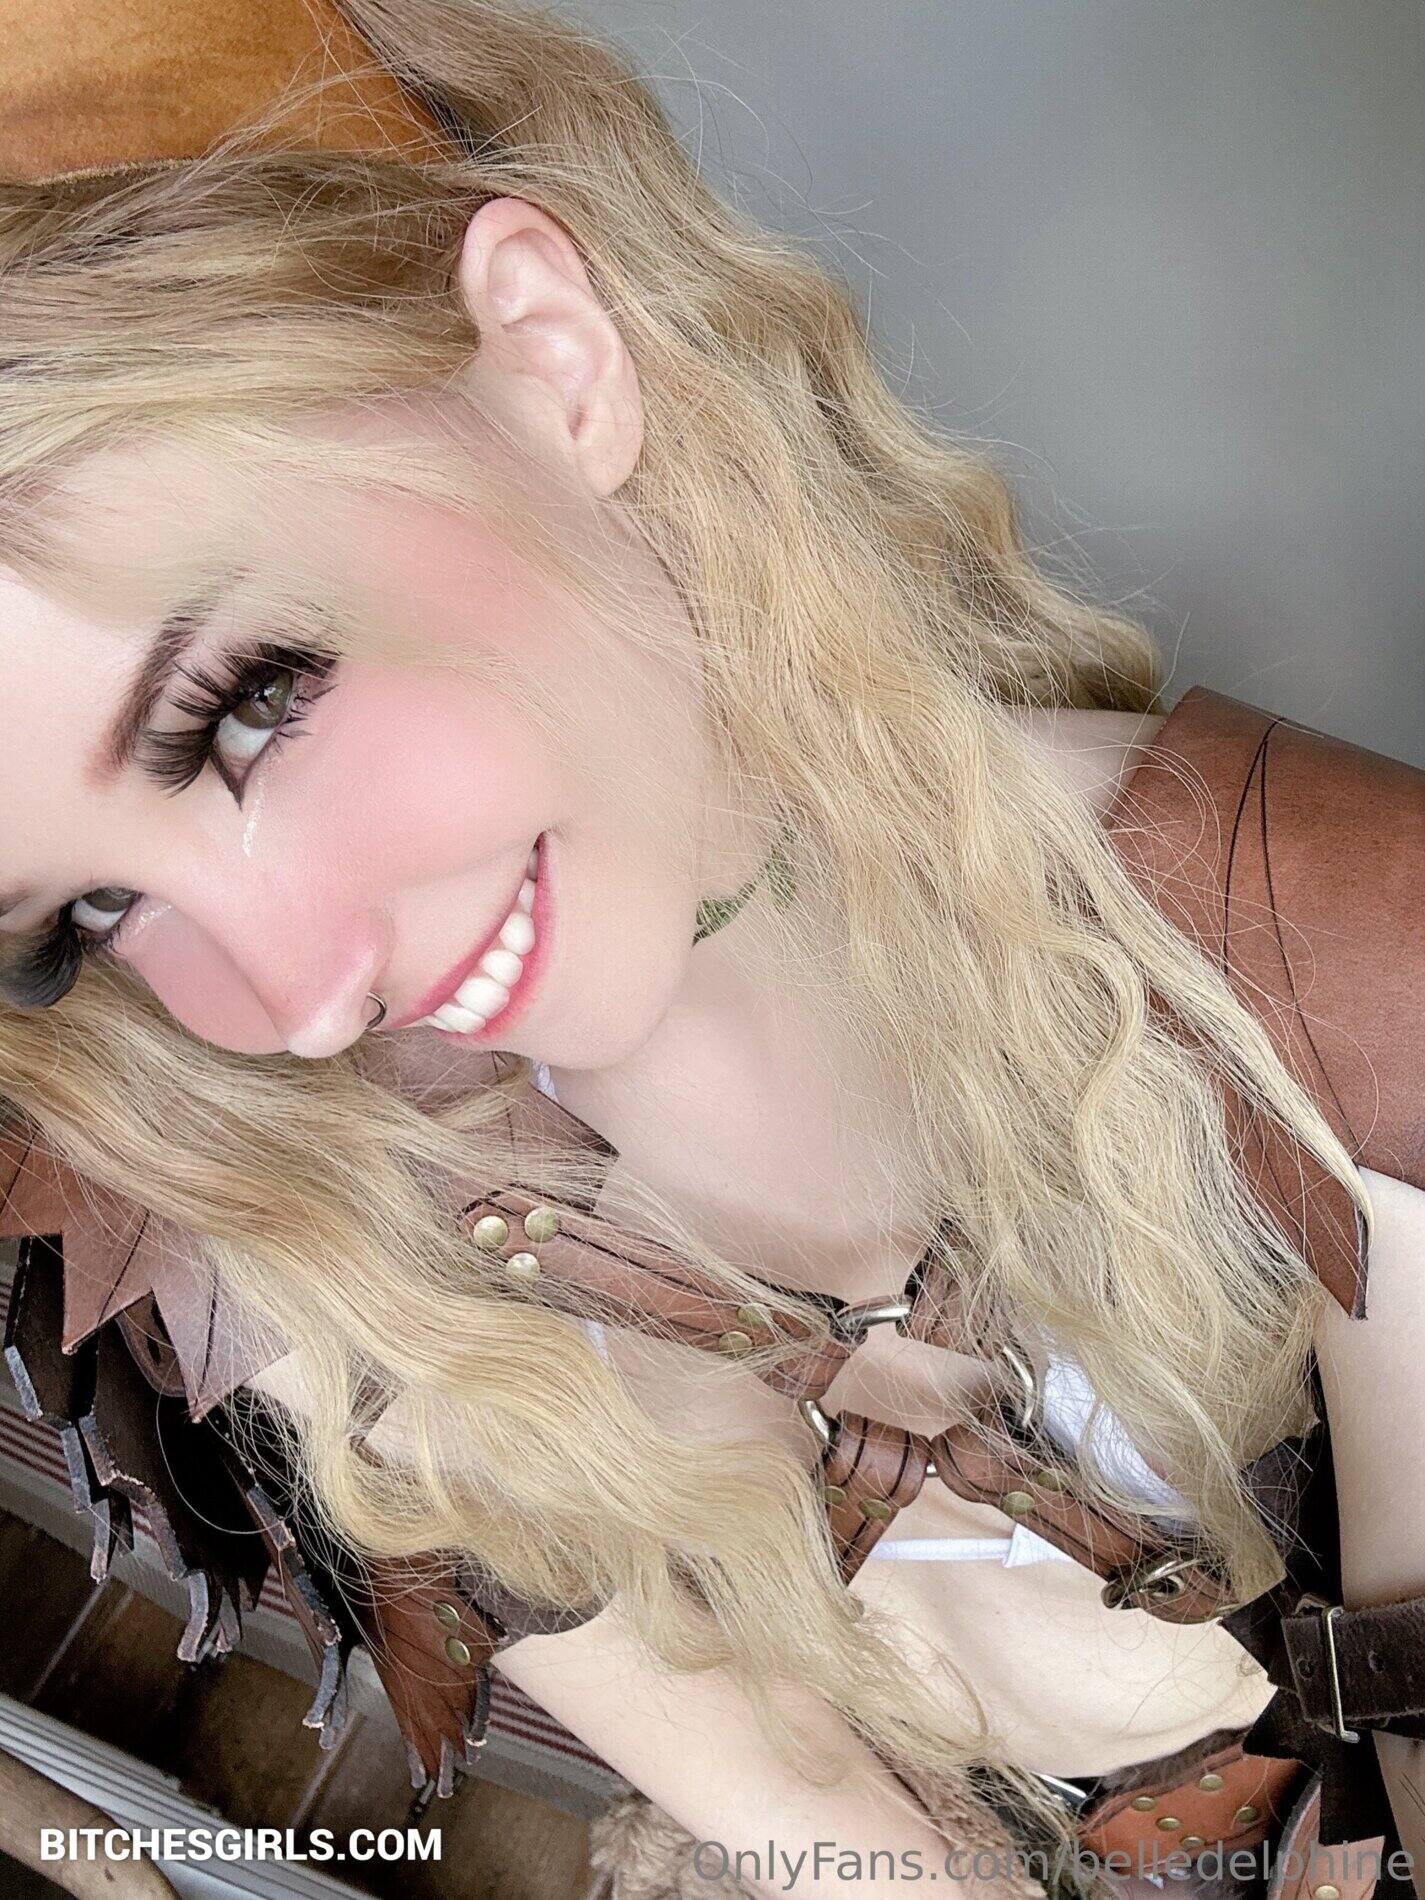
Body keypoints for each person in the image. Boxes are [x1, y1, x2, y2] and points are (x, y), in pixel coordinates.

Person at [1, 4, 1422, 1898]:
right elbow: (811, 1819)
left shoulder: (1305, 927)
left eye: (252, 701)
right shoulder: (300, 1216)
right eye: (85, 916)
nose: (305, 1005)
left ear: (551, 360)